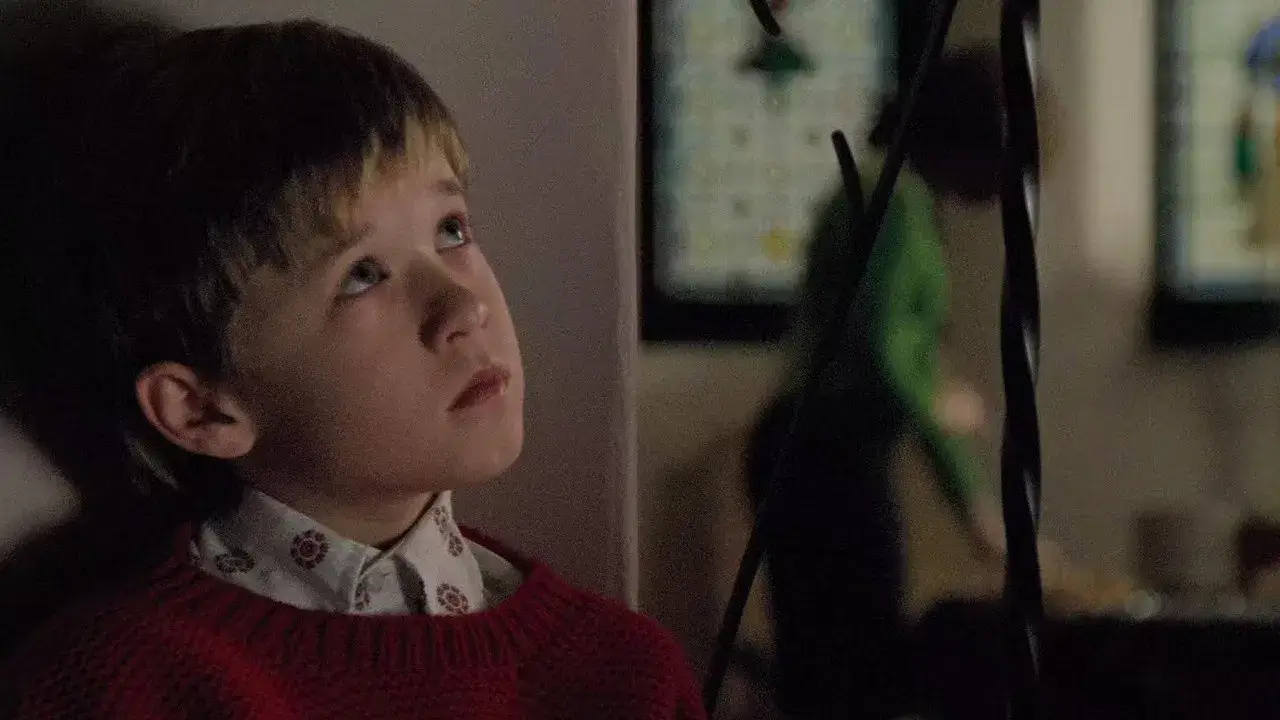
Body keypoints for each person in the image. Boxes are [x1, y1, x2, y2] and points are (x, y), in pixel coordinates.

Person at [0, 19, 704, 719]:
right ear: (203, 408)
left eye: (451, 230)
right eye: (362, 274)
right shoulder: (118, 688)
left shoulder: (625, 672)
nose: (465, 306)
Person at [743, 47, 1008, 719]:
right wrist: (959, 460)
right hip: (824, 457)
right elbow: (883, 349)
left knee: (842, 670)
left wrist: (968, 488)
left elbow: (898, 354)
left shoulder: (885, 193)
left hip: (816, 451)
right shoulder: (895, 201)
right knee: (858, 676)